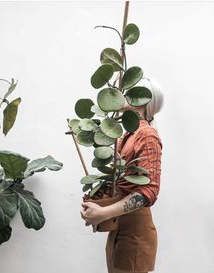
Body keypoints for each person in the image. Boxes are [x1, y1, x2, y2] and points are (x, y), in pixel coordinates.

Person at [81, 77, 164, 273]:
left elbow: (148, 192)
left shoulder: (147, 135)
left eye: (128, 90)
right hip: (119, 227)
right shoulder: (128, 134)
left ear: (142, 100)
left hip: (135, 232)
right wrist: (97, 205)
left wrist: (103, 213)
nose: (120, 93)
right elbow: (123, 183)